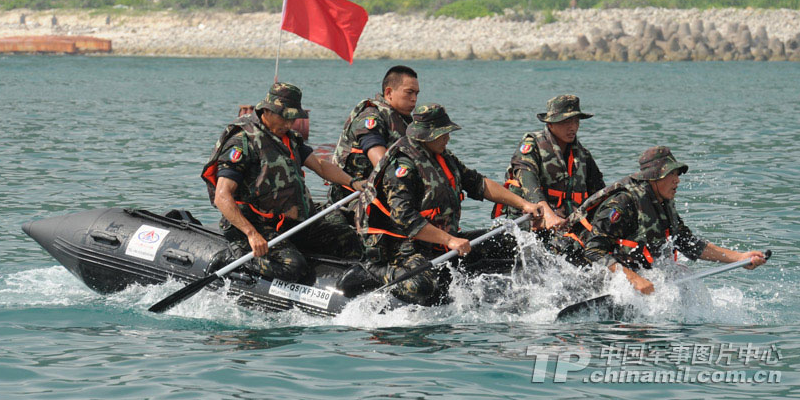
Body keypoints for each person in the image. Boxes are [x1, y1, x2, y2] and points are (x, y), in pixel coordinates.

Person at [353, 104, 548, 305]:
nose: (448, 138)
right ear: (425, 135)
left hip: (439, 242)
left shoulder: (443, 156)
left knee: (509, 242)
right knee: (421, 287)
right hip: (402, 248)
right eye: (442, 134)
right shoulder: (402, 166)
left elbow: (478, 183)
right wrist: (450, 240)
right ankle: (374, 272)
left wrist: (524, 204)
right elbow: (406, 220)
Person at [201, 82, 365, 282]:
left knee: (348, 240)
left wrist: (354, 182)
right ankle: (233, 257)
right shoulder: (242, 142)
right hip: (255, 224)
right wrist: (251, 234)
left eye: (293, 119)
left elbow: (321, 166)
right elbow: (222, 196)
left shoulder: (289, 138)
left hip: (291, 223)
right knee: (292, 268)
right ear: (267, 111)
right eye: (284, 118)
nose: (289, 125)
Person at [562, 146, 768, 294]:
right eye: (672, 175)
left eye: (678, 174)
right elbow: (593, 250)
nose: (677, 180)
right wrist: (633, 279)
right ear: (654, 177)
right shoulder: (622, 203)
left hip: (623, 269)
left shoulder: (664, 201)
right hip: (577, 267)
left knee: (681, 274)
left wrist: (738, 258)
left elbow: (688, 243)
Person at [494, 95, 604, 231]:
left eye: (576, 122)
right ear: (550, 124)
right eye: (566, 122)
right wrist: (547, 213)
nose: (572, 127)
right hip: (532, 223)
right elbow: (527, 179)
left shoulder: (583, 155)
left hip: (569, 223)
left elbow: (599, 193)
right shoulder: (532, 145)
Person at [328, 65, 420, 211]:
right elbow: (382, 164)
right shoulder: (371, 117)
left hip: (387, 193)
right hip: (354, 197)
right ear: (389, 92)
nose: (414, 99)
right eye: (409, 93)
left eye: (416, 94)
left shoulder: (406, 122)